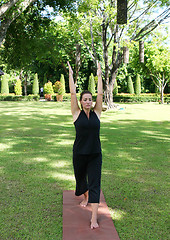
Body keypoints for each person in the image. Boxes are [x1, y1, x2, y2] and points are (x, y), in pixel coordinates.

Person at [67, 61, 103, 229]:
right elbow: (73, 94)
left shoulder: (97, 113)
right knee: (81, 179)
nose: (88, 101)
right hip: (79, 154)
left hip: (95, 154)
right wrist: (71, 75)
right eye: (85, 99)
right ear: (81, 102)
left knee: (95, 183)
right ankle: (85, 196)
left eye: (90, 99)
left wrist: (99, 75)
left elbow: (100, 95)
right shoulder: (76, 114)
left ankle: (93, 218)